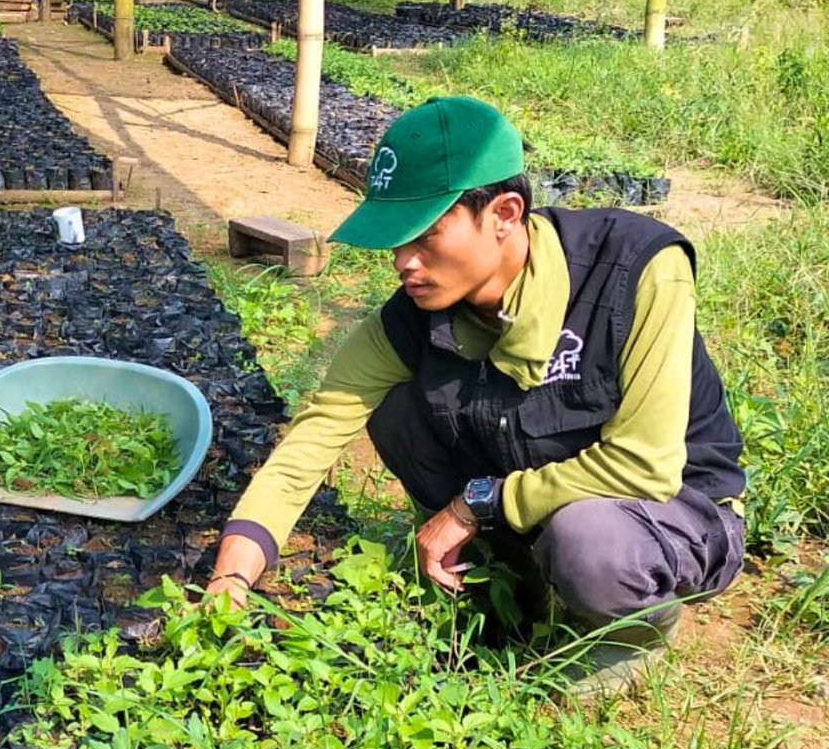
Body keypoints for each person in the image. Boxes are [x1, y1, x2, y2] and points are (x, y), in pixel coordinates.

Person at [205, 96, 745, 686]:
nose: (402, 262)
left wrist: (476, 504)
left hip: (669, 510)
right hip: (532, 494)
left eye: (425, 235)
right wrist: (235, 567)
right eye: (395, 240)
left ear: (504, 214)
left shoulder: (636, 270)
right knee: (394, 408)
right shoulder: (413, 317)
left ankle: (635, 627)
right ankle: (510, 579)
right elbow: (313, 439)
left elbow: (644, 465)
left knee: (589, 543)